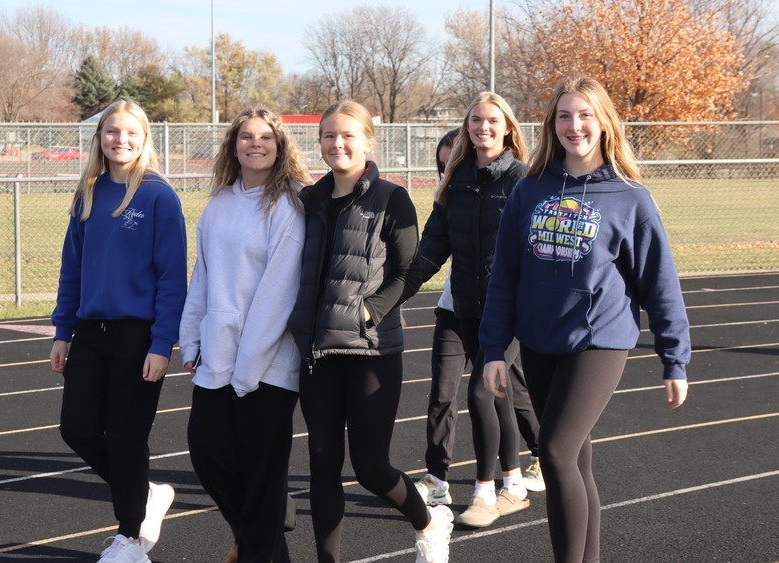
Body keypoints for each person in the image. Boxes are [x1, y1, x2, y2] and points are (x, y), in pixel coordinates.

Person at [479, 75, 691, 563]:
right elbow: (504, 276)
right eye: (564, 116)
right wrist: (494, 349)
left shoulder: (629, 197)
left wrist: (674, 358)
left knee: (553, 452)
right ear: (552, 126)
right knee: (576, 459)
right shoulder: (529, 192)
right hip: (538, 339)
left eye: (585, 115)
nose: (575, 126)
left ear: (604, 122)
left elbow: (659, 281)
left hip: (599, 340)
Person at [287, 100, 453, 563]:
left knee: (371, 468)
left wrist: (371, 311)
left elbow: (412, 270)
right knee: (321, 464)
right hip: (318, 355)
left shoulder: (390, 198)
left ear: (367, 142)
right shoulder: (309, 201)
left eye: (347, 135)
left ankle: (428, 522)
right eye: (328, 136)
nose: (337, 144)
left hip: (371, 353)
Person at [50, 99, 187, 563]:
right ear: (100, 137)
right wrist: (62, 330)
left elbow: (172, 279)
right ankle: (145, 493)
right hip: (90, 331)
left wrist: (161, 343)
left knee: (128, 439)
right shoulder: (87, 192)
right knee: (77, 429)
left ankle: (131, 540)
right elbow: (73, 269)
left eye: (130, 132)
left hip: (138, 336)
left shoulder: (158, 195)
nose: (120, 140)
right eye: (112, 131)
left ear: (144, 138)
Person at [179, 107, 311, 563]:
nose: (255, 144)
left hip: (268, 365)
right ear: (233, 146)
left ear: (280, 146)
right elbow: (204, 277)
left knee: (262, 473)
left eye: (265, 138)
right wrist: (191, 337)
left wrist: (248, 370)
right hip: (218, 355)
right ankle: (261, 534)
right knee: (207, 451)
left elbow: (279, 292)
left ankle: (260, 545)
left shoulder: (291, 203)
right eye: (246, 137)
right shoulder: (220, 203)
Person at [414, 93, 539, 528]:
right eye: (475, 121)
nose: (482, 127)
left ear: (507, 127)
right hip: (465, 309)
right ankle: (515, 486)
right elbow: (432, 249)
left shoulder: (524, 179)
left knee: (481, 392)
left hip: (507, 313)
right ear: (467, 127)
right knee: (499, 397)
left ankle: (484, 494)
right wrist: (390, 293)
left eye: (491, 120)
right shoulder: (456, 179)